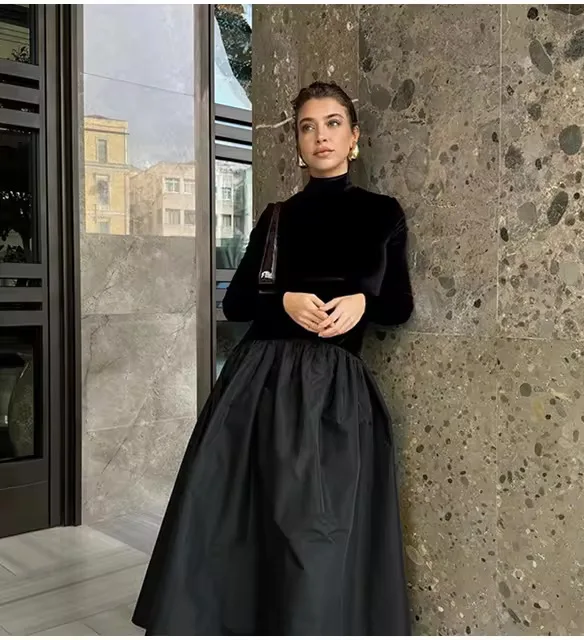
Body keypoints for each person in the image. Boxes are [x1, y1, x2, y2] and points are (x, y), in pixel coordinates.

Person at [132, 81, 414, 636]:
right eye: (308, 127)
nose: (320, 136)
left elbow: (399, 307)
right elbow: (236, 302)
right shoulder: (278, 216)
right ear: (299, 143)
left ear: (354, 137)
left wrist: (362, 301)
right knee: (241, 527)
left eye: (332, 123)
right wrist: (283, 300)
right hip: (258, 388)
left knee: (315, 535)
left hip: (333, 397)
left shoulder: (382, 214)